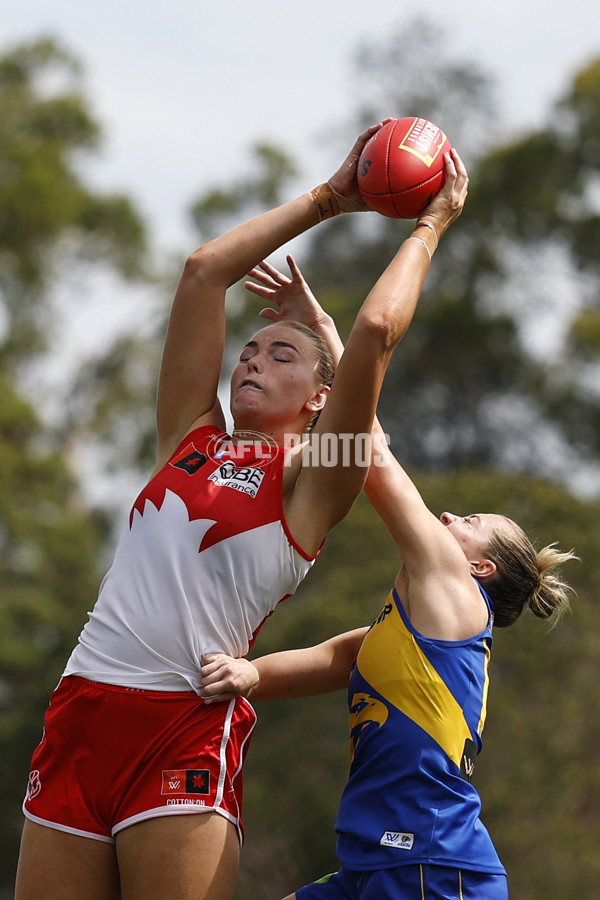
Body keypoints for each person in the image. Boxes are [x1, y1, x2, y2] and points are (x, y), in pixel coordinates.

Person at [14, 120, 469, 900]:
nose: (254, 358)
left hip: (182, 725)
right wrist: (329, 197)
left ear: (322, 398)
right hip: (80, 711)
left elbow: (374, 330)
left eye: (281, 355)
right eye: (251, 352)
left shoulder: (319, 473)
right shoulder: (188, 437)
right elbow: (201, 273)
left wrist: (432, 222)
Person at [199, 261, 577, 900]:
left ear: (480, 568)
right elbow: (339, 657)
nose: (452, 514)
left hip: (436, 867)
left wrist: (322, 327)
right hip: (379, 865)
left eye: (473, 521)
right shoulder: (411, 627)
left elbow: (365, 442)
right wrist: (252, 676)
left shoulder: (455, 593)